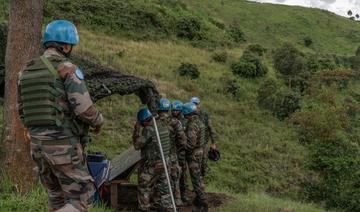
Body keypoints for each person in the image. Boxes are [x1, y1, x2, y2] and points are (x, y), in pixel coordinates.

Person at [18, 20, 104, 212]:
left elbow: (22, 111)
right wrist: (99, 121)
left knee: (56, 197)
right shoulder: (67, 68)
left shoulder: (26, 71)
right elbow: (84, 110)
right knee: (80, 199)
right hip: (63, 146)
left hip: (37, 147)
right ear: (65, 45)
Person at [133, 108, 173, 211]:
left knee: (144, 187)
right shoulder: (163, 125)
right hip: (165, 161)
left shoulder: (149, 129)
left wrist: (136, 130)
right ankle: (166, 208)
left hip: (153, 164)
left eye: (142, 123)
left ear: (145, 121)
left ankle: (144, 208)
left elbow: (137, 145)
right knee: (165, 188)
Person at [157, 98, 186, 206]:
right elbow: (183, 140)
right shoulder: (175, 122)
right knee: (175, 176)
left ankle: (161, 200)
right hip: (173, 154)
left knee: (161, 178)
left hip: (159, 155)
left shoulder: (154, 121)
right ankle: (177, 199)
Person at [182, 102, 208, 211]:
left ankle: (202, 204)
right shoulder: (200, 121)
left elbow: (191, 144)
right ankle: (199, 199)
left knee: (196, 179)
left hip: (193, 154)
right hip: (200, 152)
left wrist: (182, 146)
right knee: (199, 177)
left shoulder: (192, 124)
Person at [190, 96, 217, 177]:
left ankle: (201, 181)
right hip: (192, 144)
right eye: (193, 104)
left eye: (196, 104)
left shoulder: (204, 114)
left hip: (203, 144)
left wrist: (214, 143)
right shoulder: (188, 113)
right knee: (193, 166)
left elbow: (211, 128)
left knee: (203, 164)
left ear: (199, 104)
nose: (194, 105)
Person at [170, 100, 189, 204]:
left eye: (176, 110)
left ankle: (184, 193)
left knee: (182, 174)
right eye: (173, 110)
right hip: (173, 151)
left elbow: (184, 139)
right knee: (174, 173)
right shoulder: (171, 120)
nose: (174, 112)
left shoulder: (184, 121)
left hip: (181, 151)